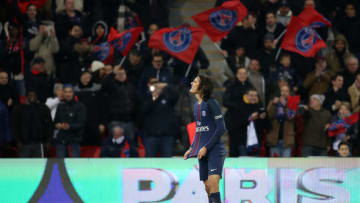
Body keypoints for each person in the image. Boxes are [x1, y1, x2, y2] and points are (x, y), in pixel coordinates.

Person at [184, 75, 226, 203]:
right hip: (202, 152)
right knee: (207, 187)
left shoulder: (212, 103)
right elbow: (199, 130)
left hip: (214, 150)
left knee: (213, 183)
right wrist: (192, 148)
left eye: (195, 81)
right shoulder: (196, 105)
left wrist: (206, 147)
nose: (192, 82)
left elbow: (221, 128)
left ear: (203, 87)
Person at [12, 90, 52, 157]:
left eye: (34, 95)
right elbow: (14, 126)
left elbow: (49, 126)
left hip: (39, 144)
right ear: (26, 96)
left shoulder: (44, 108)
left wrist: (48, 141)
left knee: (38, 166)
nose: (32, 97)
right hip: (24, 144)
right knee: (24, 166)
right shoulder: (18, 109)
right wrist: (18, 141)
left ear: (37, 96)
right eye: (30, 95)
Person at [54, 84, 86, 158]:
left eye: (70, 92)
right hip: (61, 138)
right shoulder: (60, 105)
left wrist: (69, 126)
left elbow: (81, 123)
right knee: (60, 164)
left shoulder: (80, 106)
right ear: (63, 93)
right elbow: (56, 121)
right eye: (66, 92)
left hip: (75, 139)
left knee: (75, 165)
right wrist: (57, 125)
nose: (68, 94)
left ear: (73, 93)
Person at [267, 85, 295, 157]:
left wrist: (286, 106)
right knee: (274, 165)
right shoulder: (273, 102)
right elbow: (269, 116)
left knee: (286, 166)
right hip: (274, 139)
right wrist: (273, 104)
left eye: (286, 91)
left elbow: (291, 117)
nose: (284, 93)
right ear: (279, 92)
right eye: (282, 91)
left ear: (289, 93)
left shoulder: (293, 103)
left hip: (287, 140)